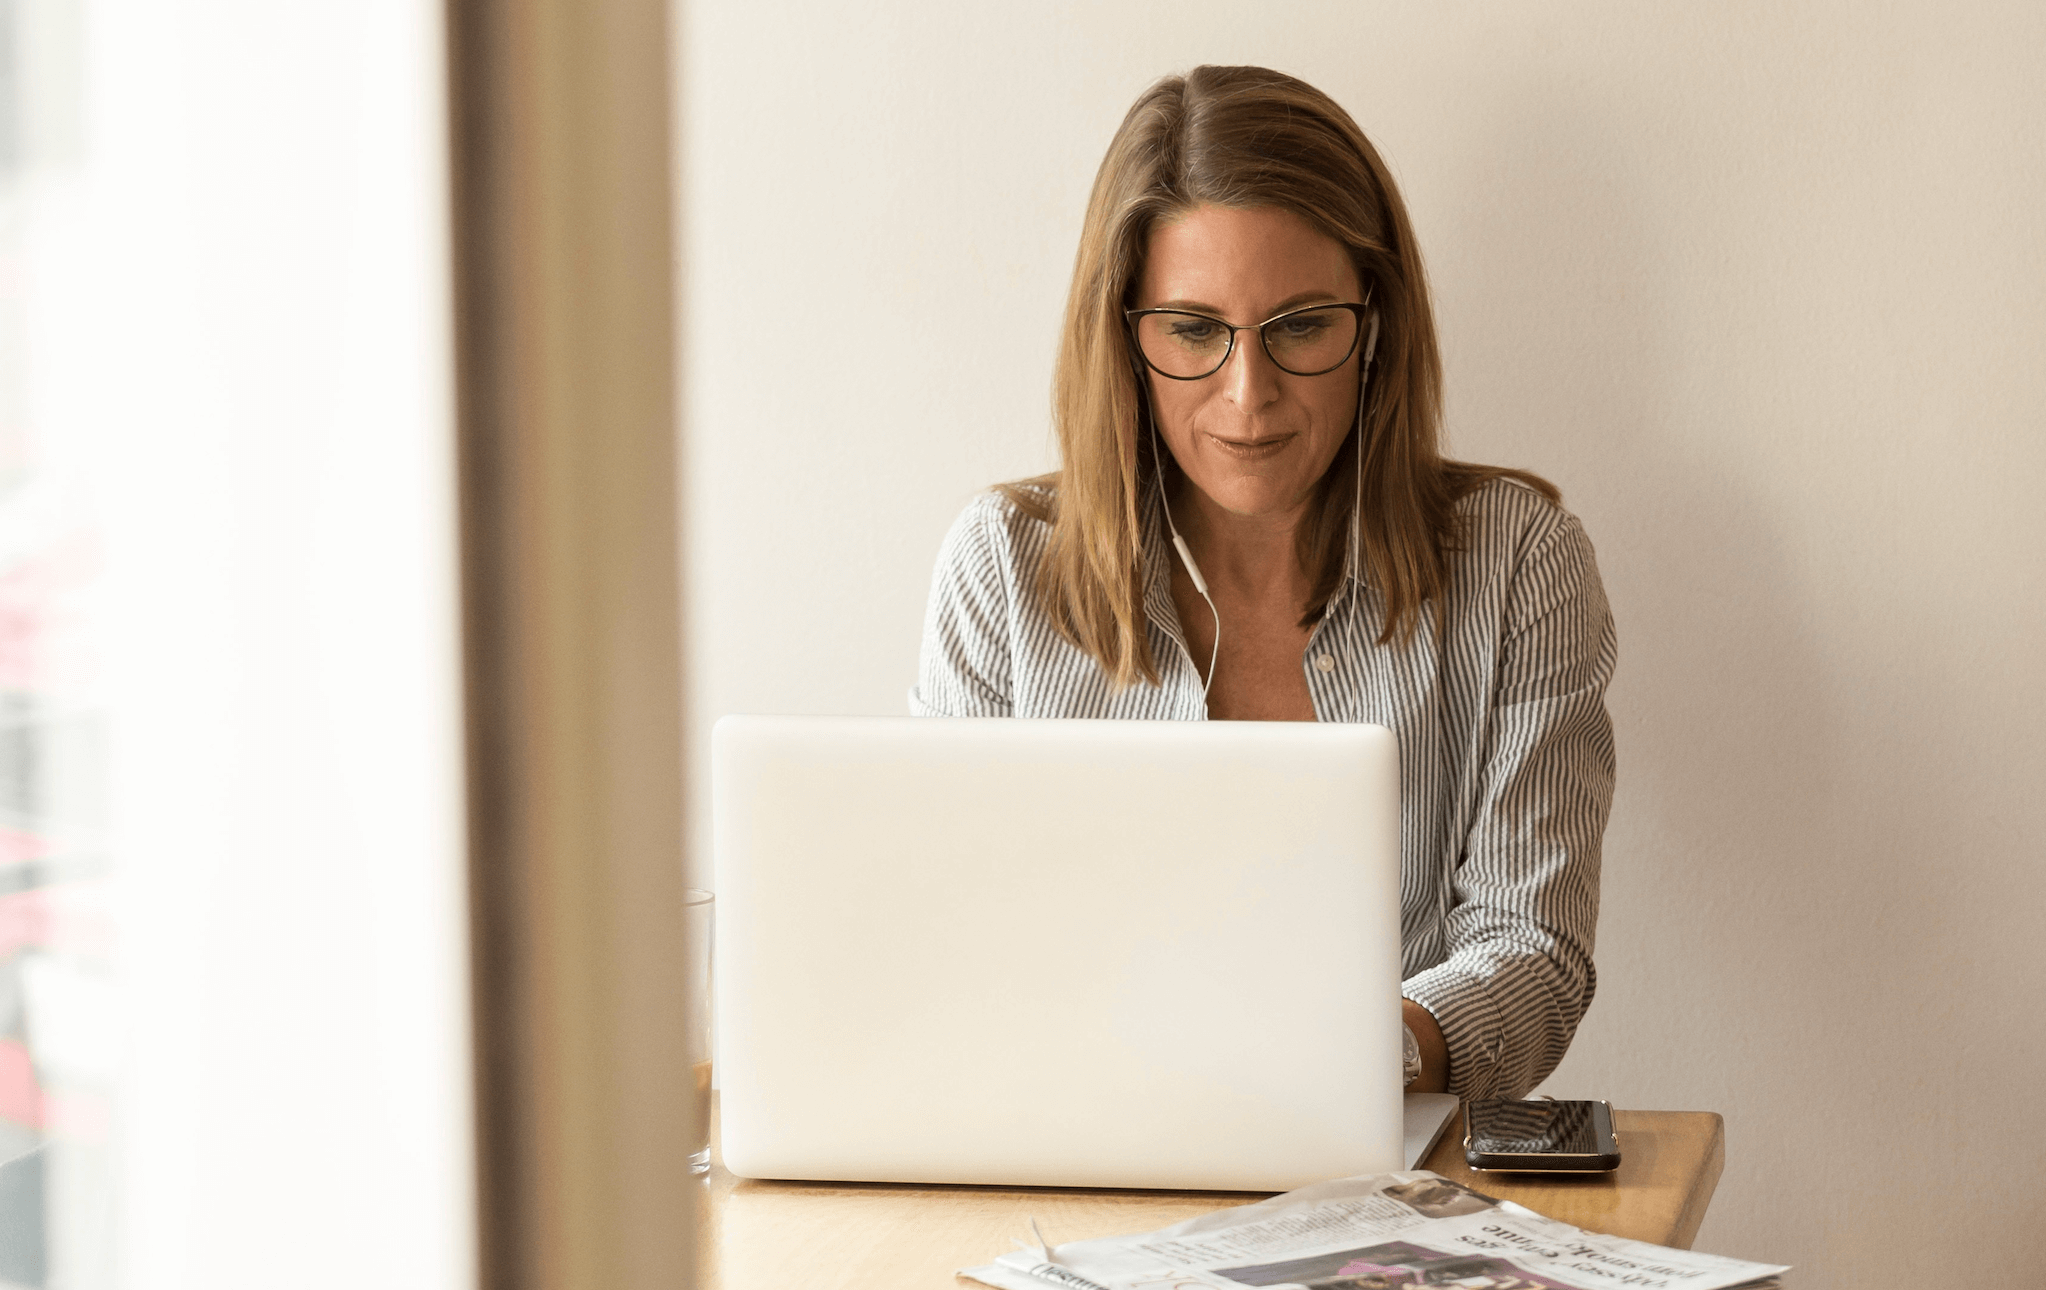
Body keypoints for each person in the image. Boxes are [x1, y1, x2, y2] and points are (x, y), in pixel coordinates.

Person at [909, 65, 1616, 1102]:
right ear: (1124, 337)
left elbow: (1533, 951)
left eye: (1300, 326)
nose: (1249, 396)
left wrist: (1355, 1060)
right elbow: (944, 939)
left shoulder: (1518, 562)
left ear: (1375, 323)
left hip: (1383, 1153)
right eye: (1194, 331)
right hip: (1071, 1148)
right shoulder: (1001, 567)